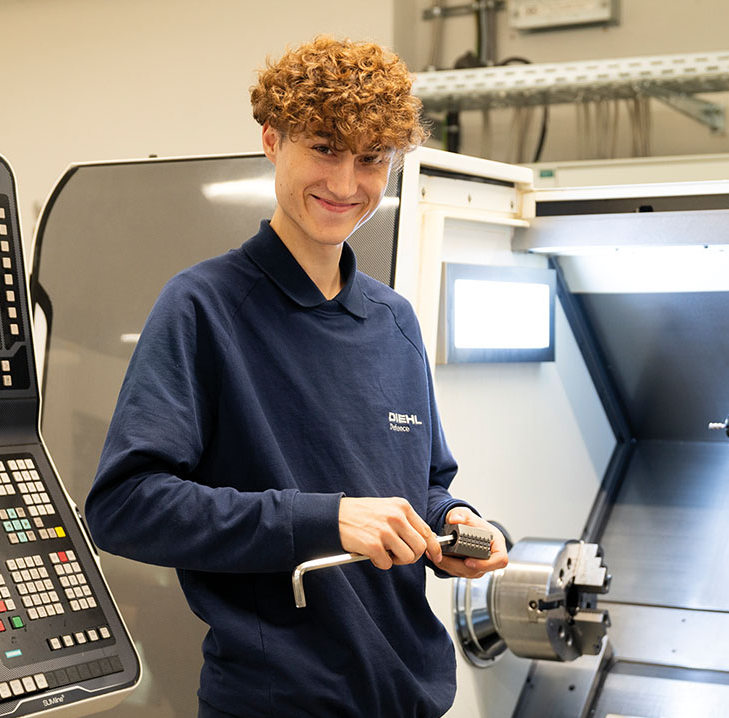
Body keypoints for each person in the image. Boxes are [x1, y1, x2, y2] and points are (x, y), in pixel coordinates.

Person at [85, 35, 508, 718]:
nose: (346, 184)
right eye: (324, 149)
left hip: (409, 696)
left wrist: (452, 522)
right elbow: (125, 507)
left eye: (371, 159)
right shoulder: (204, 307)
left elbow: (420, 485)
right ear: (271, 140)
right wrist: (324, 520)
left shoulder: (393, 320)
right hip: (276, 702)